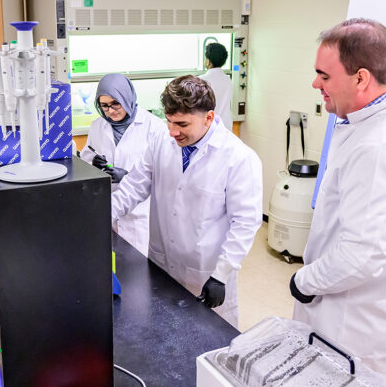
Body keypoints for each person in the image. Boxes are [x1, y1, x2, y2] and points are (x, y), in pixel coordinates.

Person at [289, 18, 386, 387]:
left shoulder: (381, 145)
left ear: (361, 78)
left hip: (353, 328)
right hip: (383, 315)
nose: (315, 84)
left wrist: (303, 282)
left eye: (324, 76)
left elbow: (361, 255)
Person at [111, 75, 263, 327]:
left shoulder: (239, 158)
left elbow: (245, 223)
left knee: (209, 338)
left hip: (206, 274)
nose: (173, 132)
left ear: (209, 118)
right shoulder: (162, 141)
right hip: (162, 265)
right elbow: (133, 187)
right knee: (162, 333)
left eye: (182, 124)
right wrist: (101, 216)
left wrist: (221, 274)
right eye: (169, 121)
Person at [80, 74, 166, 256]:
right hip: (108, 210)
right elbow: (87, 159)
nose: (110, 111)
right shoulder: (98, 126)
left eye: (115, 104)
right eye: (104, 106)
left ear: (127, 98)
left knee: (139, 267)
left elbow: (164, 176)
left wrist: (127, 175)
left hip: (140, 216)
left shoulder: (154, 127)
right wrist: (93, 164)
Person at [199, 42, 233, 127]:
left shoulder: (202, 80)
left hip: (209, 127)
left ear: (208, 61)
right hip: (226, 126)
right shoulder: (228, 80)